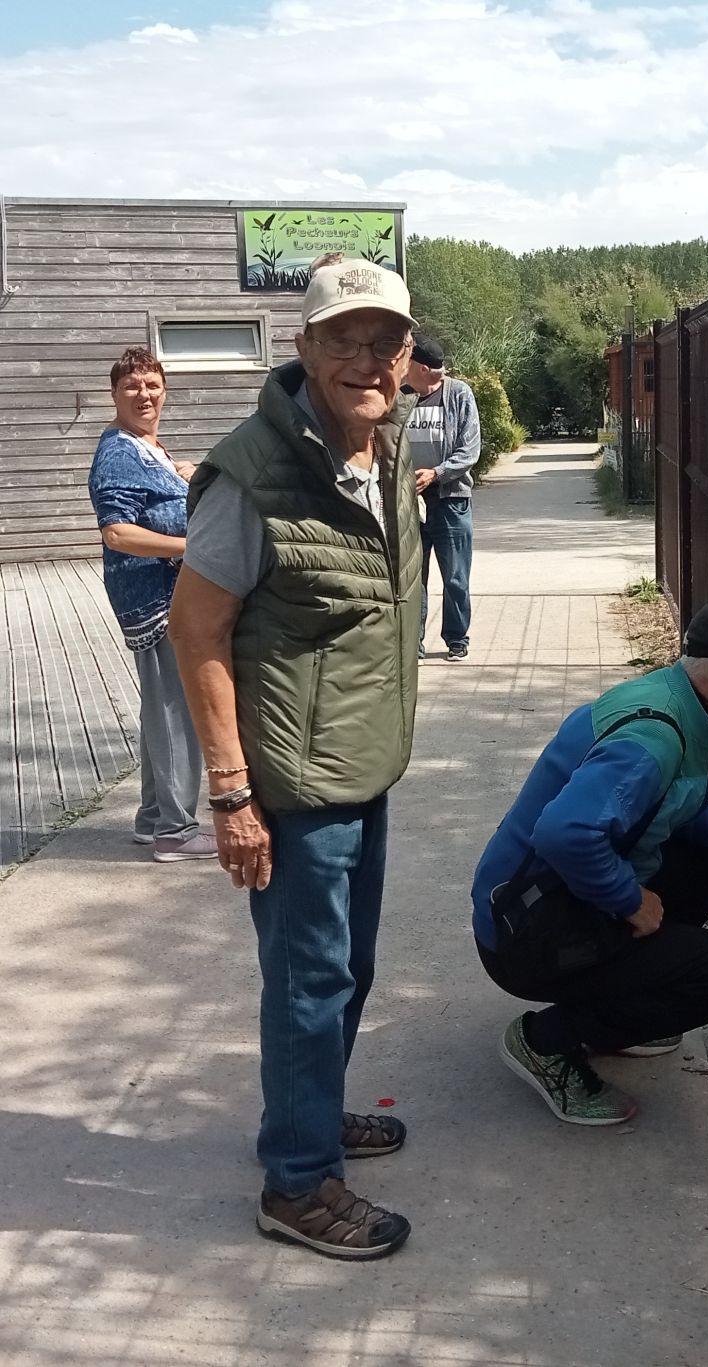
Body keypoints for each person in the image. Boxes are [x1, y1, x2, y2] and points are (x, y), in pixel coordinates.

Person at [167, 256, 422, 1261]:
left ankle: (307, 1117)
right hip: (293, 782)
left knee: (344, 970)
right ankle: (297, 1180)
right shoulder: (253, 472)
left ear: (405, 355)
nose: (366, 358)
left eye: (385, 341)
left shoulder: (383, 446)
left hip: (362, 762)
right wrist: (230, 792)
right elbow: (197, 629)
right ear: (305, 347)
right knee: (307, 979)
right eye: (344, 339)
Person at [470, 591, 708, 1125]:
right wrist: (628, 899)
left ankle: (620, 999)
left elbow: (654, 809)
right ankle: (545, 1042)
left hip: (542, 903)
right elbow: (564, 833)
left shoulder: (684, 705)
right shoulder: (654, 737)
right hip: (525, 934)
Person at [87, 348, 216, 863]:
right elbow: (117, 532)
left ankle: (152, 818)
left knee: (165, 708)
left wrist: (189, 477)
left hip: (172, 593)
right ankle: (177, 831)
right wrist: (193, 548)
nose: (145, 395)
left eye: (153, 385)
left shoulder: (148, 446)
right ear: (115, 394)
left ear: (165, 390)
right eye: (133, 387)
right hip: (154, 599)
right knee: (177, 711)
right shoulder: (118, 452)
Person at [404, 334, 480, 661]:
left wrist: (436, 473)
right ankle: (413, 642)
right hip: (408, 502)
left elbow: (469, 449)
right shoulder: (400, 396)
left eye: (406, 361)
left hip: (450, 501)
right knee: (411, 578)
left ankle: (456, 638)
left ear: (421, 367)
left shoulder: (459, 394)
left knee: (455, 577)